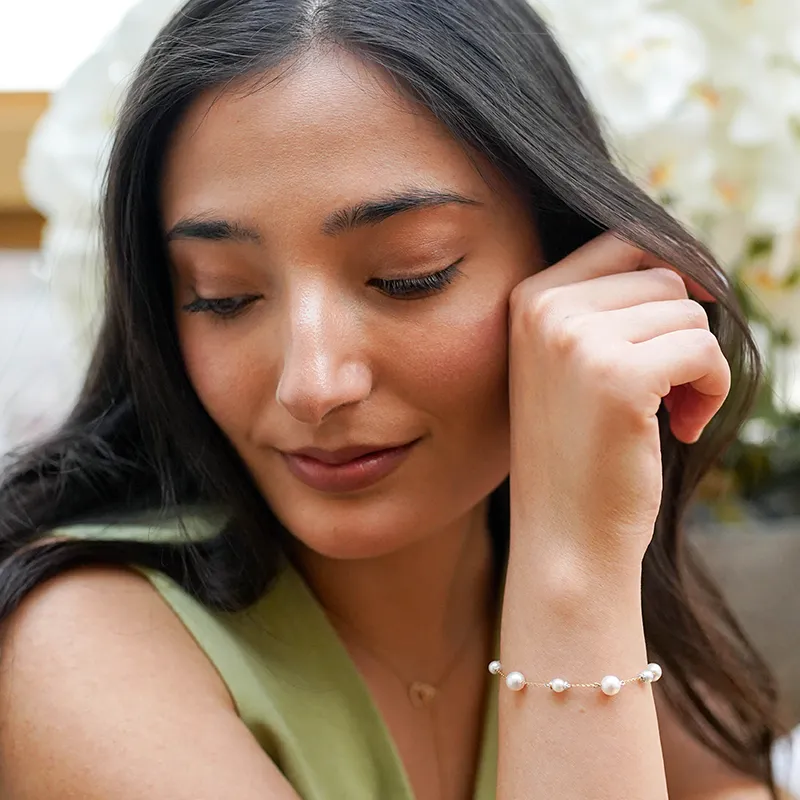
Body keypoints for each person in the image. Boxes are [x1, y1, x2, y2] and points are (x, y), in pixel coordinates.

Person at [0, 0, 791, 797]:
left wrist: (582, 563)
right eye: (224, 295)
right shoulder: (80, 642)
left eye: (410, 274)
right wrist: (570, 578)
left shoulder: (612, 595)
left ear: (567, 259)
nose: (311, 385)